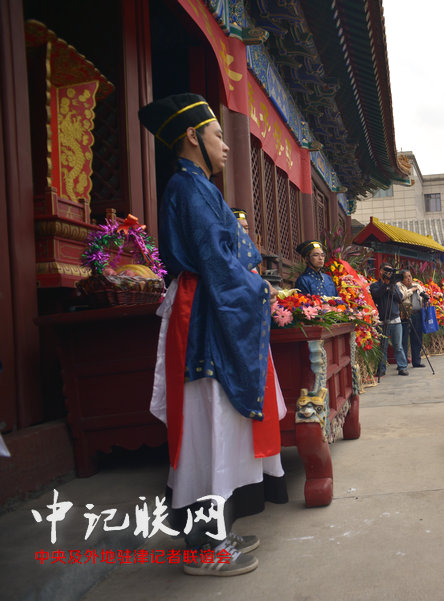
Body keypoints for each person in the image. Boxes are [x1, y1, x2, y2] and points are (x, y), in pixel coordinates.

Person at [139, 93, 287, 577]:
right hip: (206, 315)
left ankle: (217, 530)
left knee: (221, 425)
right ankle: (204, 544)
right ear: (191, 136)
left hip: (214, 306)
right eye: (218, 135)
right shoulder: (187, 188)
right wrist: (258, 289)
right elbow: (217, 260)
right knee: (210, 427)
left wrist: (252, 285)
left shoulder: (198, 185)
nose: (225, 145)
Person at [369, 263, 408, 376]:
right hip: (382, 320)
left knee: (398, 346)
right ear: (381, 271)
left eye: (390, 271)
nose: (388, 273)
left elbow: (399, 298)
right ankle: (381, 369)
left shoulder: (394, 285)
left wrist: (390, 287)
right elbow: (376, 295)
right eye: (386, 270)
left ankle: (402, 367)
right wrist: (384, 285)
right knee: (383, 346)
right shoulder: (375, 285)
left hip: (396, 320)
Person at [397, 269, 428, 368]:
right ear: (402, 278)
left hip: (417, 314)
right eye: (406, 277)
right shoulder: (398, 286)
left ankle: (417, 361)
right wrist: (411, 290)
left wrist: (425, 297)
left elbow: (422, 296)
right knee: (404, 339)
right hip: (405, 315)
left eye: (410, 276)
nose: (409, 278)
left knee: (417, 338)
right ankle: (403, 363)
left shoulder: (417, 285)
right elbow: (401, 297)